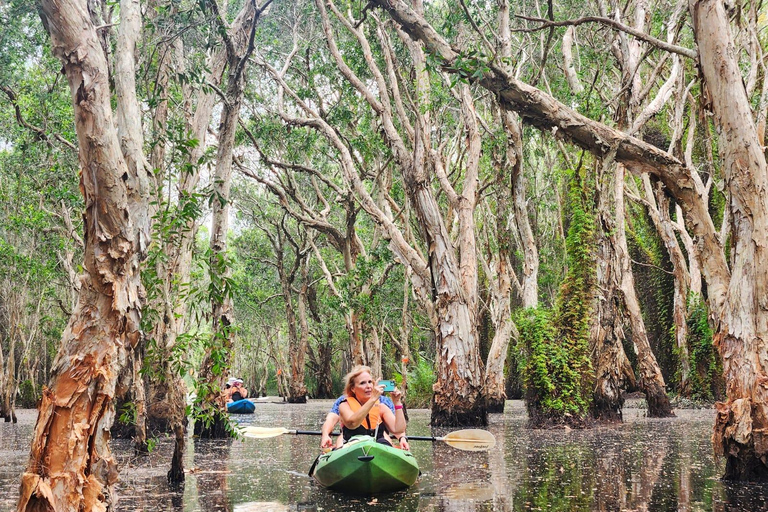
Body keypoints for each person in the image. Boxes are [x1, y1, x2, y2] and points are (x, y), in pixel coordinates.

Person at [332, 366, 410, 450]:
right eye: (362, 383)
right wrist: (373, 398)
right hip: (352, 447)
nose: (368, 386)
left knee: (384, 442)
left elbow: (399, 429)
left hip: (378, 446)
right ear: (353, 389)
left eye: (370, 382)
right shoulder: (344, 405)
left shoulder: (381, 407)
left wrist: (397, 402)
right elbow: (352, 424)